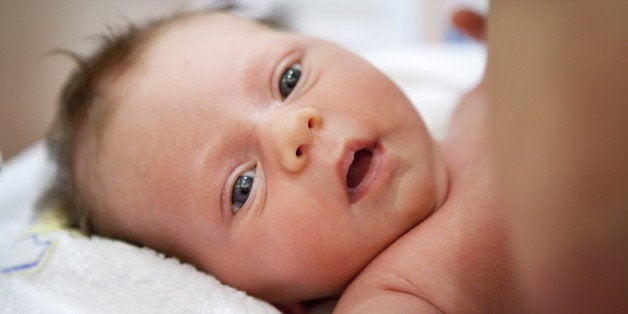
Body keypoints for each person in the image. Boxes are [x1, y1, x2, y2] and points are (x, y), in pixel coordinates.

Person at [42, 2, 627, 312]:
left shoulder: (484, 105)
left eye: (290, 78)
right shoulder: (403, 289)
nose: (293, 131)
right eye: (242, 187)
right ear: (272, 299)